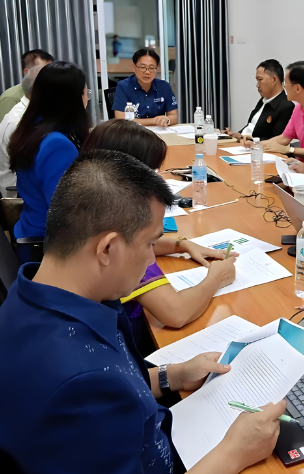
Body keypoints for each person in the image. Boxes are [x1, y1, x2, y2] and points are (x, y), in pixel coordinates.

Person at [0, 150, 285, 474]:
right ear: (107, 249)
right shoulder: (81, 382)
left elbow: (115, 382)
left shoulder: (31, 292)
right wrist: (233, 453)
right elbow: (96, 387)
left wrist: (172, 375)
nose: (152, 259)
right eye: (149, 244)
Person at [80, 120, 237, 355]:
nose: (159, 180)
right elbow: (176, 313)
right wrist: (216, 278)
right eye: (152, 172)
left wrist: (181, 244)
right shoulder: (122, 233)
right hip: (131, 349)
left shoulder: (90, 209)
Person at [9, 61, 90, 242]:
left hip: (31, 228)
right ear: (73, 99)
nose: (87, 99)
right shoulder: (58, 146)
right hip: (49, 244)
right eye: (86, 93)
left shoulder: (34, 128)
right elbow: (66, 213)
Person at [0, 65, 43, 196]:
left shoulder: (23, 111)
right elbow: (39, 170)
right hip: (15, 195)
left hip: (15, 183)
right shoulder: (23, 123)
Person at [223, 59, 294, 142]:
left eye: (260, 80)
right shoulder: (263, 101)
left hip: (258, 148)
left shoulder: (286, 106)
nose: (257, 85)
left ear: (274, 79)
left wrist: (245, 138)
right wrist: (235, 134)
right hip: (243, 144)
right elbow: (251, 126)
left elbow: (277, 141)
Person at [112, 48, 178, 127]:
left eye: (151, 68)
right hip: (133, 131)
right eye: (143, 67)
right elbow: (121, 119)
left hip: (158, 132)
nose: (147, 72)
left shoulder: (164, 86)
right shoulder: (123, 86)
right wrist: (154, 121)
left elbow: (174, 116)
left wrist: (167, 120)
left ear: (156, 69)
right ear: (134, 67)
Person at [0, 49, 54, 127]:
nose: (50, 75)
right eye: (43, 71)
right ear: (27, 73)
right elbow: (7, 130)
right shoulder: (11, 97)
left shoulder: (45, 92)